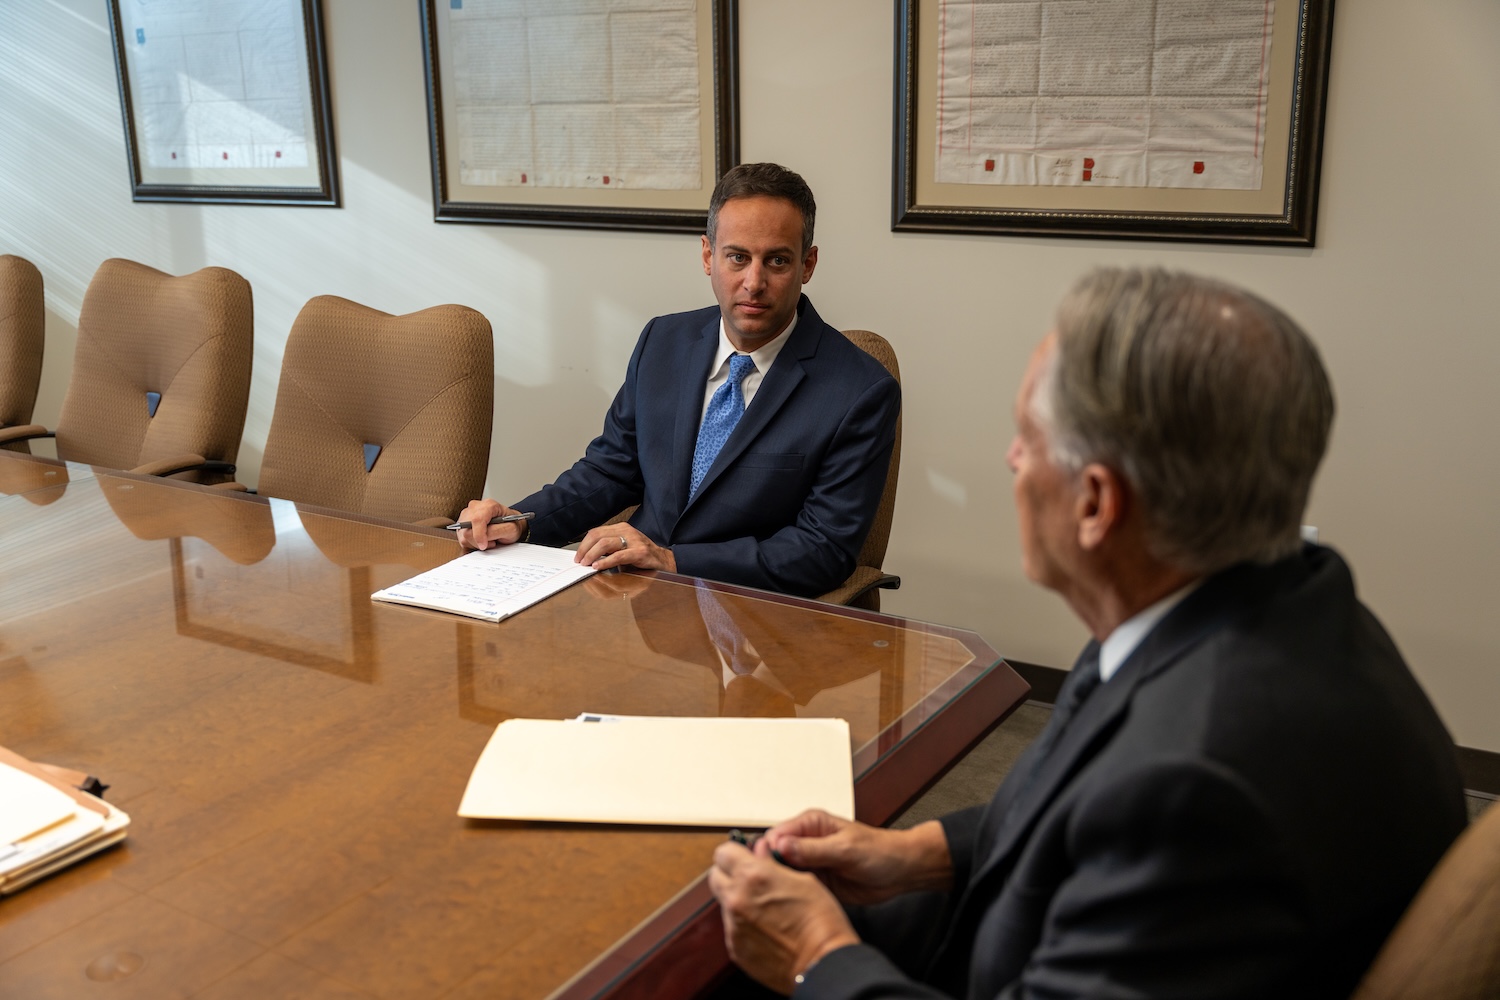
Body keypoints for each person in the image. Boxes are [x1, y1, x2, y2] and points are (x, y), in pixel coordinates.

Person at [708, 268, 1467, 999]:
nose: (1011, 460)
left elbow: (1129, 815)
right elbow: (1074, 805)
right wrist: (914, 851)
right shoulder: (1273, 593)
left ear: (1097, 504)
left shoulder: (1193, 790)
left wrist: (816, 959)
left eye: (1027, 439)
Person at [457, 163, 900, 598]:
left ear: (808, 264)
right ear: (708, 256)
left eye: (778, 261)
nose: (754, 282)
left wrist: (674, 561)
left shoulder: (859, 391)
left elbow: (823, 550)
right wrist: (523, 520)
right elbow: (611, 470)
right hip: (639, 606)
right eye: (738, 257)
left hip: (757, 618)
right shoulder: (663, 342)